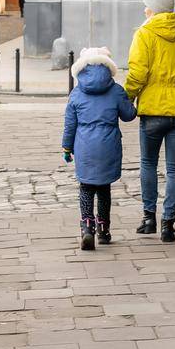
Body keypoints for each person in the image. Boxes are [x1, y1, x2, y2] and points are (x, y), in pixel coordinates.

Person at [125, 0, 175, 244]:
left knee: (148, 164)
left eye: (147, 6)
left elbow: (138, 72)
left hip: (153, 110)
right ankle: (169, 223)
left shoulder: (144, 34)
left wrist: (128, 97)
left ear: (152, 10)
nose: (145, 10)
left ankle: (148, 219)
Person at [61, 47, 137, 251]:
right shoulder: (116, 90)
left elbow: (70, 125)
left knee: (86, 187)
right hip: (108, 144)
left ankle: (87, 227)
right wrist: (132, 100)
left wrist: (67, 148)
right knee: (104, 189)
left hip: (84, 146)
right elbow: (129, 115)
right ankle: (103, 229)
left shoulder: (76, 93)